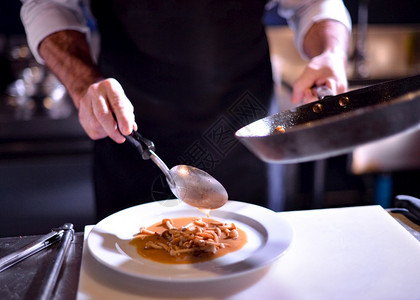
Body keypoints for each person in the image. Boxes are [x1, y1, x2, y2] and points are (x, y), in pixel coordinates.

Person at [20, 0, 351, 220]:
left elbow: (312, 3)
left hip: (243, 131)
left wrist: (330, 53)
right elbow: (49, 4)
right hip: (130, 128)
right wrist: (82, 84)